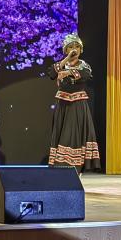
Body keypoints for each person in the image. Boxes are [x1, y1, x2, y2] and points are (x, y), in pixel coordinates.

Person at [46, 33, 100, 173]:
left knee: (74, 135)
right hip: (63, 106)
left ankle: (76, 168)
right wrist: (66, 60)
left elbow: (86, 75)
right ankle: (62, 169)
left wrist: (68, 72)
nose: (74, 49)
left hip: (77, 105)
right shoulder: (61, 65)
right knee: (62, 134)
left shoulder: (84, 65)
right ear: (66, 50)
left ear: (81, 50)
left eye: (77, 47)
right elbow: (51, 73)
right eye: (70, 47)